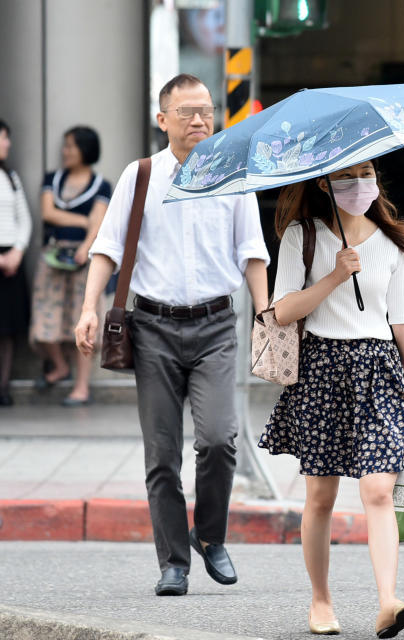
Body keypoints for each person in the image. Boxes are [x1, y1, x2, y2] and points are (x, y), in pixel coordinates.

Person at [75, 74, 270, 596]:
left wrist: (266, 314)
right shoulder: (139, 177)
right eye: (187, 112)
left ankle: (209, 536)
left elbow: (253, 252)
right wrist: (89, 308)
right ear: (162, 120)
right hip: (153, 329)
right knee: (162, 454)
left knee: (219, 441)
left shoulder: (232, 176)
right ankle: (173, 563)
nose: (200, 120)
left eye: (206, 110)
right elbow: (106, 249)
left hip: (215, 329)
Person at [258, 160, 404, 637]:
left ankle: (387, 602)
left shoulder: (393, 241)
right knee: (320, 495)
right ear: (325, 183)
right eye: (348, 176)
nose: (360, 185)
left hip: (378, 371)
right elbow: (280, 311)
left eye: (368, 174)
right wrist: (335, 276)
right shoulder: (304, 235)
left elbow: (403, 320)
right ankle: (320, 601)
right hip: (321, 369)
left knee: (379, 489)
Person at [31, 126, 111, 405]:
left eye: (70, 146)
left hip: (83, 262)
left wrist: (85, 246)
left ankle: (81, 386)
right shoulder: (52, 179)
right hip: (52, 258)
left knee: (84, 321)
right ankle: (60, 366)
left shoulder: (101, 184)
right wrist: (81, 220)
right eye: (65, 146)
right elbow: (48, 212)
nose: (65, 151)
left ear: (85, 150)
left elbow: (99, 222)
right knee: (44, 315)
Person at [0, 119, 31, 407]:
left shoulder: (11, 177)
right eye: (3, 138)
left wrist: (17, 252)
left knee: (7, 329)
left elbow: (24, 220)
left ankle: (3, 387)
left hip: (11, 259)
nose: (7, 144)